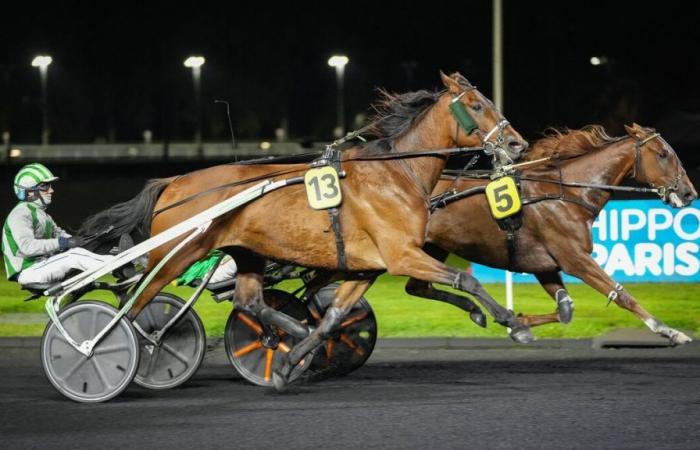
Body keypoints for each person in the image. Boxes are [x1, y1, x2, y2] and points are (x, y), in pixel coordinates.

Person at [2, 163, 112, 286]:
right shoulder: (20, 214)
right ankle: (118, 265)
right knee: (74, 255)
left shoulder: (44, 216)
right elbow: (28, 247)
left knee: (77, 250)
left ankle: (118, 260)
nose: (51, 190)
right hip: (28, 271)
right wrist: (63, 243)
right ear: (29, 192)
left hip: (41, 266)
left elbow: (63, 236)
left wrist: (89, 239)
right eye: (44, 186)